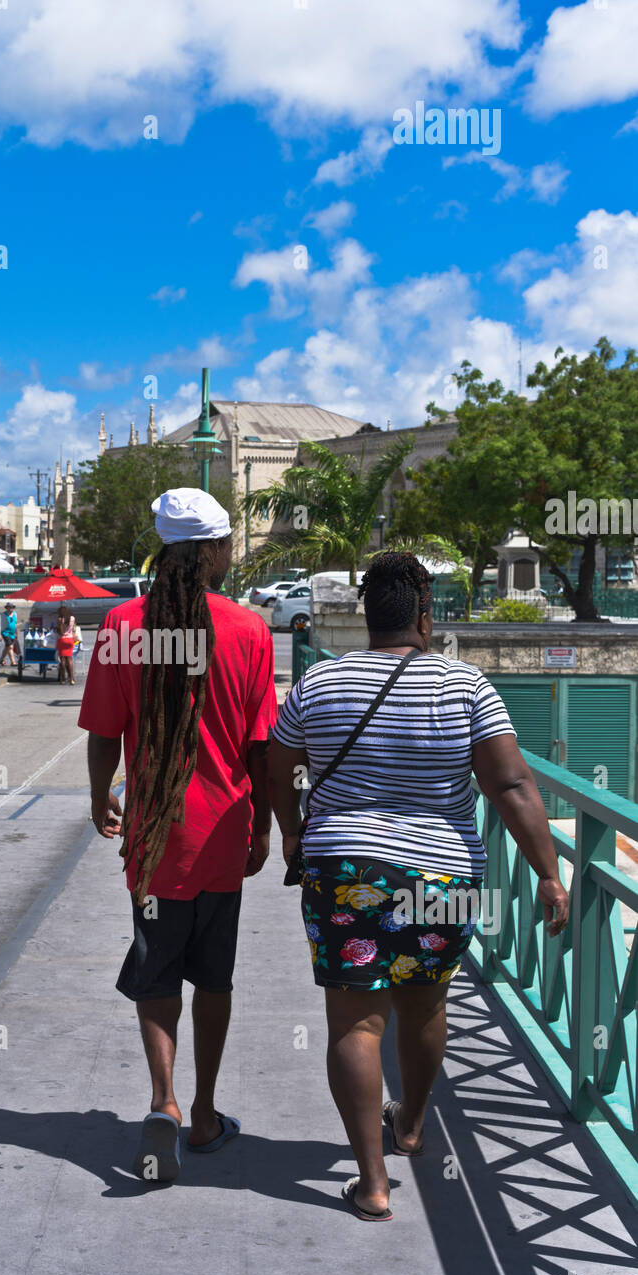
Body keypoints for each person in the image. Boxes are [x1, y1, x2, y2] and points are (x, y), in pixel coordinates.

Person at [267, 551, 571, 1222]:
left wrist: (291, 829)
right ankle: (408, 1125)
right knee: (425, 1006)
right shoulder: (465, 686)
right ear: (425, 619)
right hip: (442, 871)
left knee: (354, 1020)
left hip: (344, 870)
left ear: (364, 617)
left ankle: (370, 1183)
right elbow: (511, 784)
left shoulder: (319, 683)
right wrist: (548, 873)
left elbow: (277, 760)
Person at [79, 487, 277, 1182]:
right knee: (212, 977)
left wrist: (101, 795)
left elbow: (105, 733)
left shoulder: (122, 625)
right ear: (217, 549)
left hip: (153, 837)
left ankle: (160, 1099)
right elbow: (261, 749)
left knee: (156, 969)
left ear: (164, 548)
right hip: (223, 832)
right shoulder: (250, 630)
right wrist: (265, 831)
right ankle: (203, 1112)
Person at [54, 603, 76, 685]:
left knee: (63, 660)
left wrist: (57, 627)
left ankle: (63, 679)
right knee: (69, 660)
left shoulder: (60, 619)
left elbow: (62, 632)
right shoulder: (72, 618)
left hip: (62, 640)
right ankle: (71, 679)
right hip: (70, 640)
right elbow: (73, 629)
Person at [0, 602, 19, 669]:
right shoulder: (3, 615)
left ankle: (1, 659)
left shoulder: (15, 614)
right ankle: (13, 661)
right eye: (8, 607)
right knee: (10, 646)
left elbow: (16, 624)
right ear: (6, 608)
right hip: (5, 632)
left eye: (11, 607)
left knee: (8, 647)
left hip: (12, 633)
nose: (10, 609)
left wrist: (17, 633)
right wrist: (0, 634)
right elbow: (0, 625)